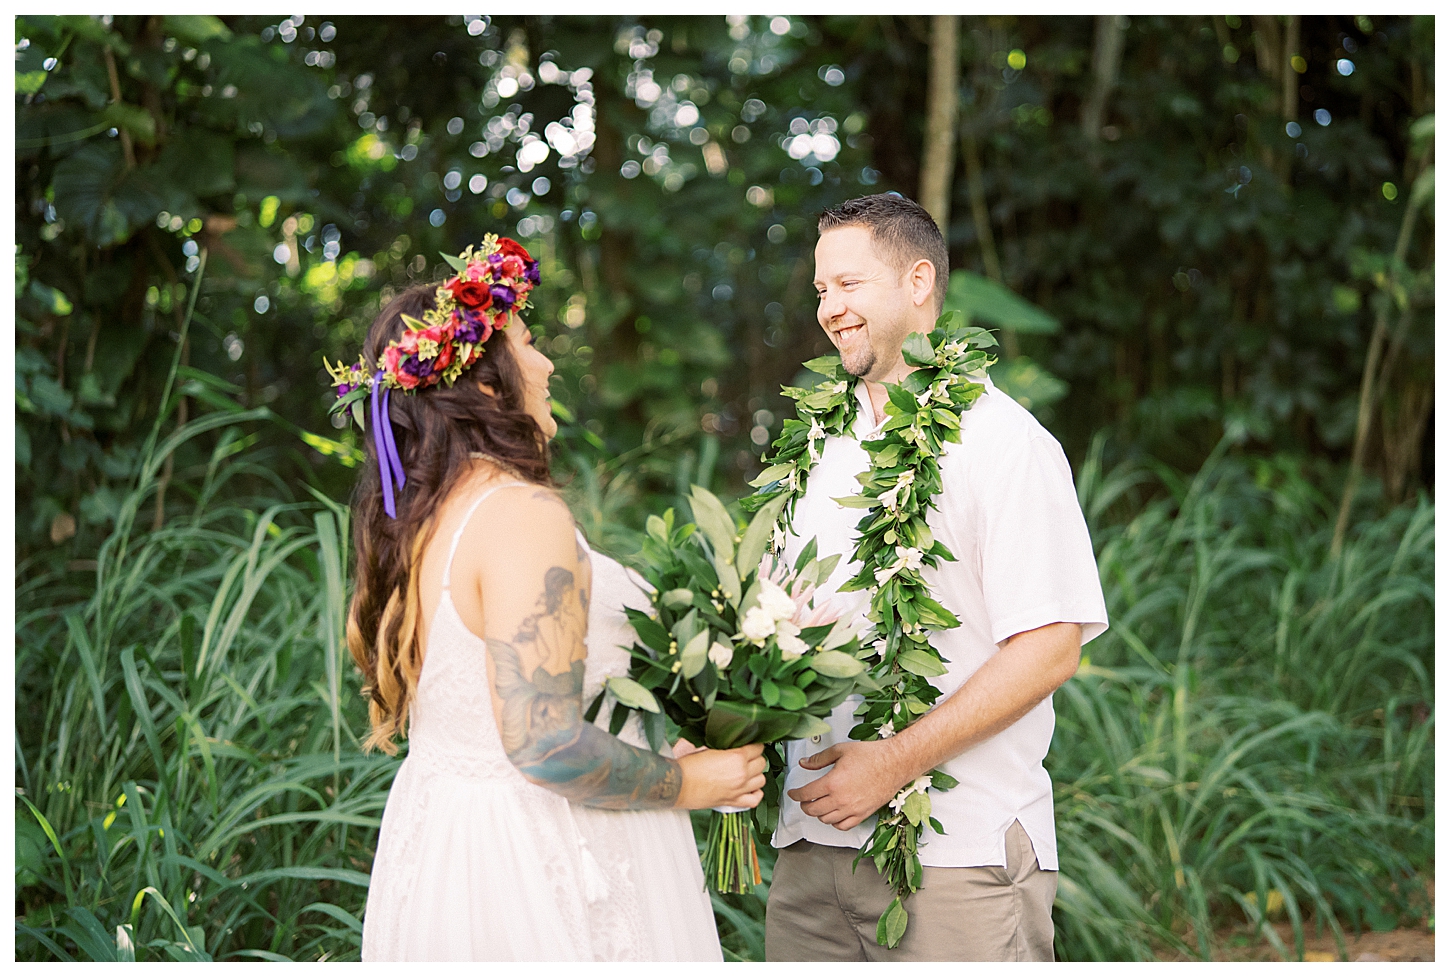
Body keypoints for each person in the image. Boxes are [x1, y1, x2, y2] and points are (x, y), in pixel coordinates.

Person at [337, 236, 766, 961]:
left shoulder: (422, 524)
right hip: (541, 859)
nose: (545, 362)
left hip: (451, 852)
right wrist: (685, 781)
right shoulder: (517, 514)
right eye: (528, 343)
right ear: (483, 383)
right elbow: (543, 740)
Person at [763, 194, 1109, 961]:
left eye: (849, 285)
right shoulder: (814, 449)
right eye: (821, 290)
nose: (830, 308)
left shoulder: (1005, 443)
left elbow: (1051, 645)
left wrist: (891, 761)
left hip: (959, 855)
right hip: (809, 852)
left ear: (918, 281)